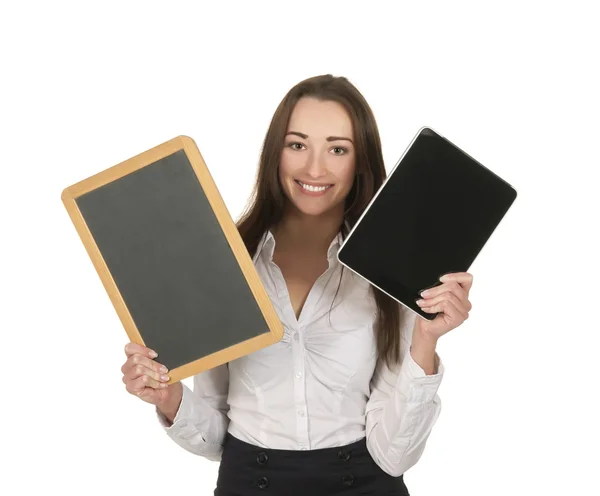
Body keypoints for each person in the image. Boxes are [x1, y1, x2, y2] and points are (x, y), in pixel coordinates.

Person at [121, 74, 473, 495]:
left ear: (360, 161)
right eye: (297, 145)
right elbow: (215, 437)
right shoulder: (224, 260)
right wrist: (167, 396)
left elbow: (394, 456)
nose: (314, 168)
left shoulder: (391, 270)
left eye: (337, 149)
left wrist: (425, 342)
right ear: (276, 153)